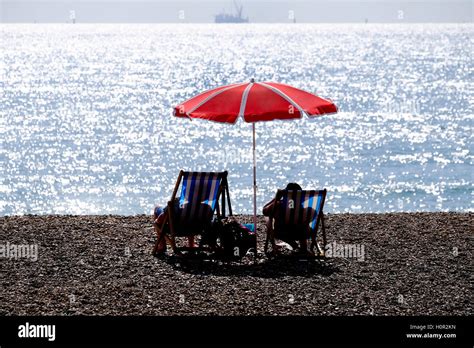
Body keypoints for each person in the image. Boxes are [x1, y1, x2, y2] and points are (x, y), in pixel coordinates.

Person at [263, 182, 310, 255]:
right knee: (303, 223)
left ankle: (275, 246)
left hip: (282, 233)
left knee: (268, 218)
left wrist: (276, 198)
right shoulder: (304, 210)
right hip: (301, 233)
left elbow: (265, 211)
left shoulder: (278, 205)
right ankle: (304, 248)